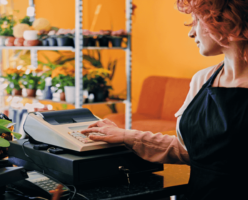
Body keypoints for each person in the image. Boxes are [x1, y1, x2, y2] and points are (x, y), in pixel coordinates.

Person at [81, 0, 248, 199]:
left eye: (196, 21)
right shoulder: (202, 80)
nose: (191, 33)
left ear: (225, 21)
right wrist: (127, 136)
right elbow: (190, 150)